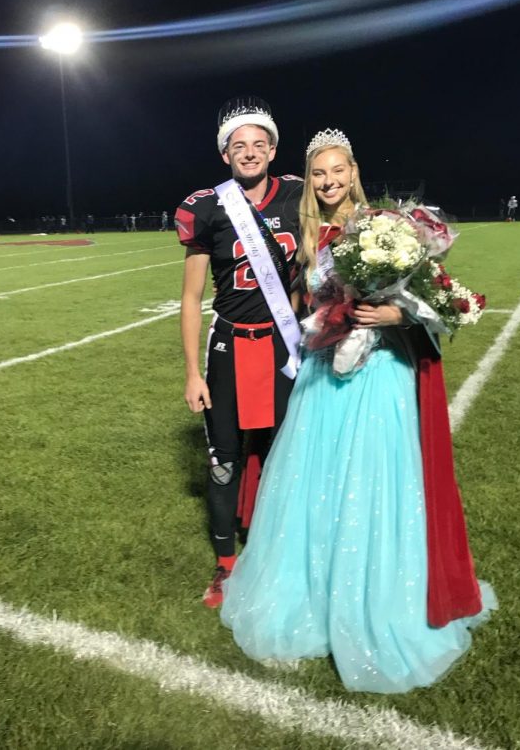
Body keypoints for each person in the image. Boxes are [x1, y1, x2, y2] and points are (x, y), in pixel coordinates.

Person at [221, 128, 496, 693]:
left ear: (353, 171)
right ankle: (312, 594)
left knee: (375, 480)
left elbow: (429, 296)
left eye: (337, 171)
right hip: (325, 373)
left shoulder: (387, 226)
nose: (328, 182)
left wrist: (395, 319)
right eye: (319, 173)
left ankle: (381, 596)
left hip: (381, 375)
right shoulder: (303, 232)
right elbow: (302, 302)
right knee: (316, 482)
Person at [175, 96, 303, 607]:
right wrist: (191, 372)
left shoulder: (298, 195)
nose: (248, 153)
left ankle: (277, 550)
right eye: (238, 146)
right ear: (226, 155)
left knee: (280, 454)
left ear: (272, 149)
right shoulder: (207, 205)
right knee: (224, 461)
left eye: (258, 144)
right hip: (229, 345)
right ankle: (225, 564)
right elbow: (190, 296)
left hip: (282, 346)